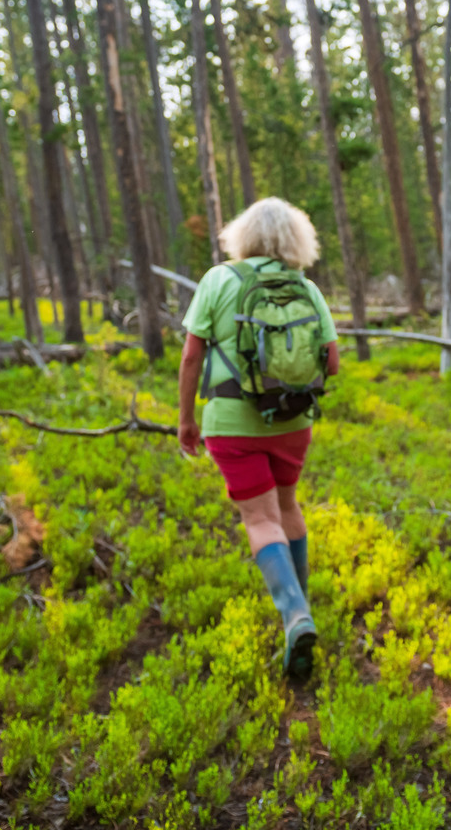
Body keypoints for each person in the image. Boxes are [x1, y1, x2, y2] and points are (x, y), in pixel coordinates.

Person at [178, 197, 340, 681]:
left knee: (259, 518)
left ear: (241, 234)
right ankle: (301, 609)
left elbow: (191, 358)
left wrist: (186, 419)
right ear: (296, 238)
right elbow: (331, 363)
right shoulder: (305, 287)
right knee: (287, 507)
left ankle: (295, 615)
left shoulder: (218, 280)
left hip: (231, 424)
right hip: (293, 422)